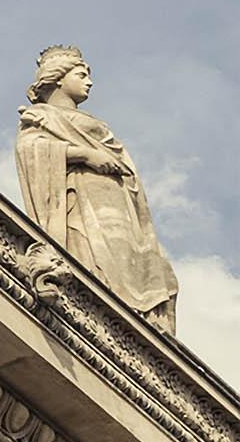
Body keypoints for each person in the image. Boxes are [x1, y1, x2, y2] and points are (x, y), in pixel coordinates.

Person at [15, 44, 180, 333]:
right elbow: (30, 149)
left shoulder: (96, 125)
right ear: (58, 78)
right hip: (80, 202)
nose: (89, 81)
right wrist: (84, 155)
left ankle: (137, 322)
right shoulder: (43, 118)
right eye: (81, 74)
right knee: (94, 262)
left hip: (117, 204)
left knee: (139, 267)